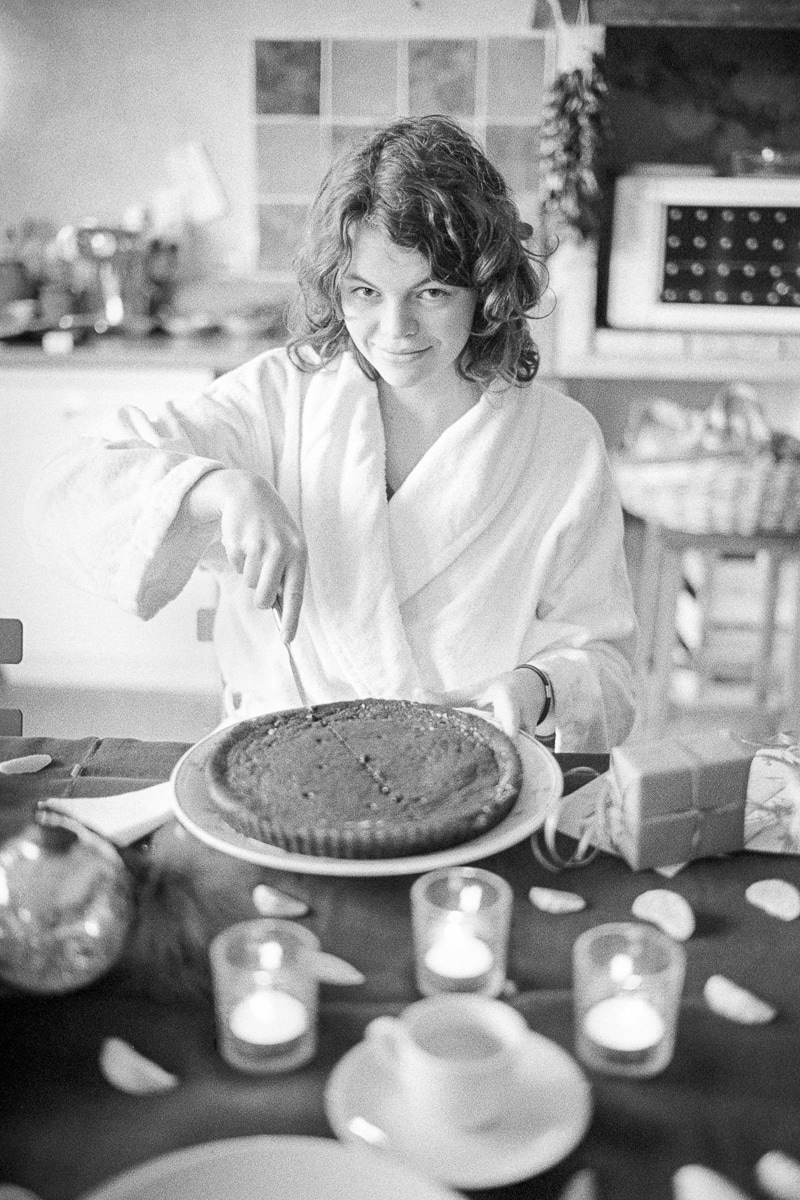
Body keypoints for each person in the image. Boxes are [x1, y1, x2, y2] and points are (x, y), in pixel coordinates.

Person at [25, 115, 637, 751]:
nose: (394, 328)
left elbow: (611, 672)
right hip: (282, 773)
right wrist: (219, 489)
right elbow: (62, 490)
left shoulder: (562, 442)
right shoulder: (279, 399)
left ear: (485, 289)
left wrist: (538, 688)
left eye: (430, 292)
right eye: (365, 290)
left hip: (477, 778)